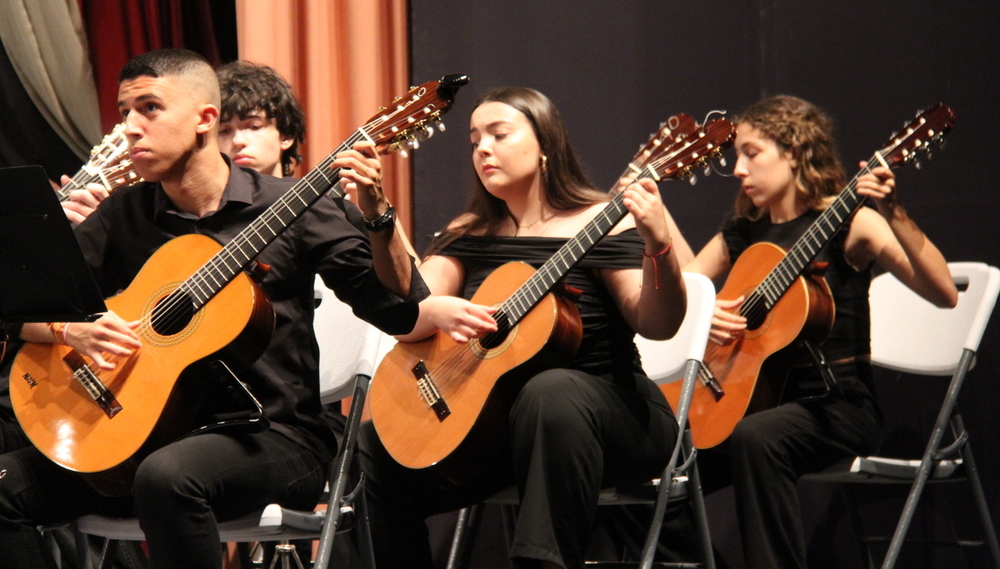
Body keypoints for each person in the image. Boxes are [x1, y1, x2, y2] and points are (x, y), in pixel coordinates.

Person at [0, 48, 428, 569]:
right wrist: (70, 331)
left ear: (205, 119)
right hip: (143, 431)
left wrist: (378, 216)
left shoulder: (300, 207)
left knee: (168, 476)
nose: (130, 128)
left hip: (274, 436)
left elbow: (399, 311)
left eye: (149, 109)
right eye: (124, 111)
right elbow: (17, 305)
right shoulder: (123, 215)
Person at [358, 86, 688, 569]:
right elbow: (408, 313)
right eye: (474, 140)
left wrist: (659, 245)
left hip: (614, 416)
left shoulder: (601, 220)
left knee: (549, 391)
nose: (482, 149)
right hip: (499, 430)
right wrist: (379, 219)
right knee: (375, 447)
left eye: (498, 134)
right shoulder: (468, 231)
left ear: (545, 145)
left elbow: (658, 323)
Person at [683, 95, 957, 569]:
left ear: (793, 152)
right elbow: (682, 294)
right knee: (656, 461)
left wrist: (895, 213)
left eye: (751, 153)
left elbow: (944, 293)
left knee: (757, 438)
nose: (738, 169)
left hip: (840, 406)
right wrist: (704, 314)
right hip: (757, 404)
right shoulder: (744, 232)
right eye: (736, 157)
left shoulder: (854, 223)